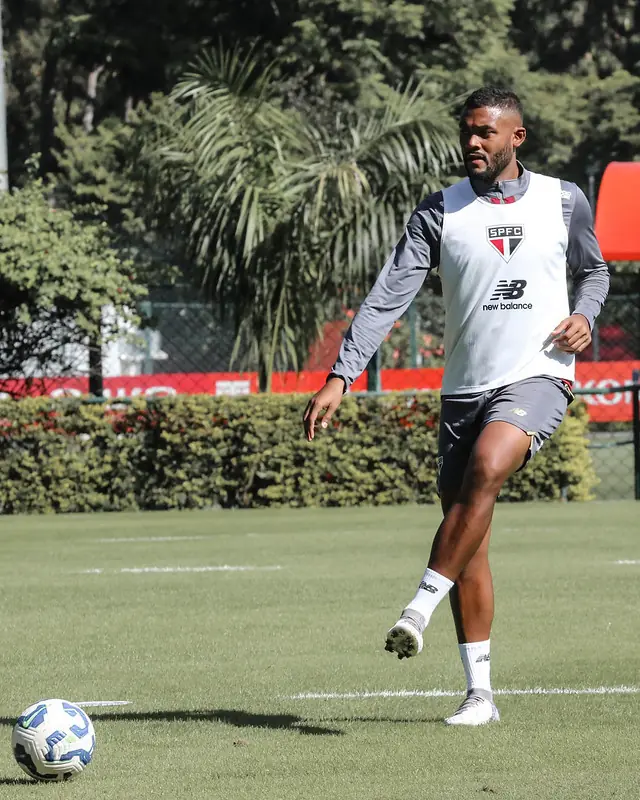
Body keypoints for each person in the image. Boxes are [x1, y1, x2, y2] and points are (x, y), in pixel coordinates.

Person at [302, 86, 609, 726]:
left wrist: (584, 314)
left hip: (538, 377)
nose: (472, 141)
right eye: (466, 131)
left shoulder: (564, 199)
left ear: (516, 137)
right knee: (469, 540)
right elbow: (388, 297)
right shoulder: (438, 212)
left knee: (490, 464)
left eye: (485, 132)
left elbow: (595, 271)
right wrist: (341, 375)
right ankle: (480, 696)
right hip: (464, 390)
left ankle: (417, 608)